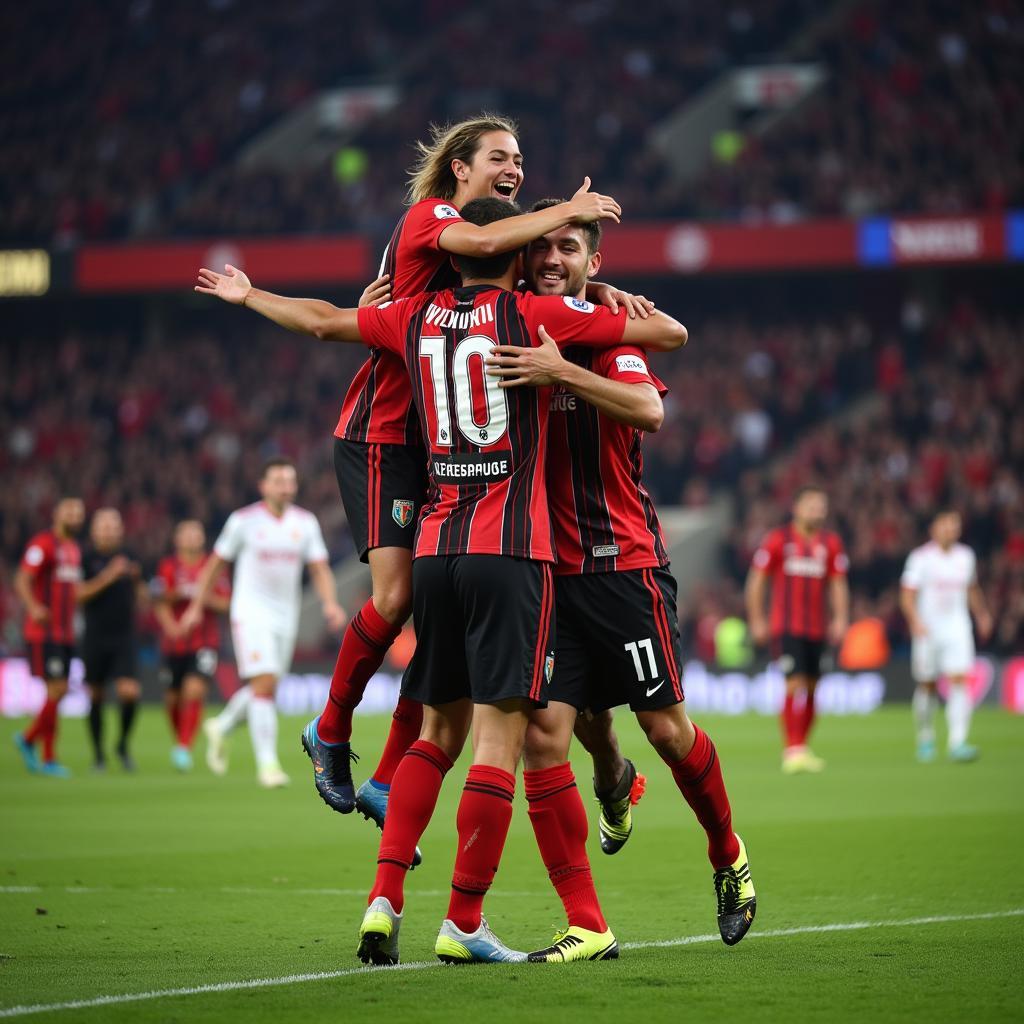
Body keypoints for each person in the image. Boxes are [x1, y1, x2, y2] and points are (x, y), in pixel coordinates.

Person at [195, 194, 687, 965]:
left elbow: (324, 320)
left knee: (435, 731)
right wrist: (599, 293)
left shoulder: (412, 315)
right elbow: (667, 335)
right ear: (515, 251)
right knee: (500, 737)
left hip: (432, 548)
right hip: (508, 552)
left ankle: (383, 903)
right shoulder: (536, 320)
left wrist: (248, 293)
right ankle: (463, 921)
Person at [306, 114, 633, 837]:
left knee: (437, 626)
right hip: (385, 431)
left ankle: (390, 778)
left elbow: (528, 266)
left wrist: (595, 290)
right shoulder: (434, 217)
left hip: (439, 442)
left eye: (520, 155)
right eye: (499, 156)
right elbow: (485, 245)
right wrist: (573, 210)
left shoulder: (494, 239)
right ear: (459, 165)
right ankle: (330, 732)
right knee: (394, 599)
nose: (515, 166)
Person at [487, 200, 755, 959]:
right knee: (548, 736)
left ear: (593, 263)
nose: (550, 258)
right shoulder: (507, 321)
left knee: (665, 729)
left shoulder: (609, 332)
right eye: (539, 247)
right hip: (548, 573)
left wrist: (560, 368)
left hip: (623, 568)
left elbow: (647, 409)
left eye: (568, 247)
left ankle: (727, 855)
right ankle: (588, 923)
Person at [180, 458, 346, 788]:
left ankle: (222, 726)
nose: (285, 486)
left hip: (286, 616)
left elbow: (318, 568)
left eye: (290, 480)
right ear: (263, 486)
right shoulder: (243, 521)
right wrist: (197, 605)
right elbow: (215, 565)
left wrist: (330, 603)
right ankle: (268, 765)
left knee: (266, 687)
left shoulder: (305, 522)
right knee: (266, 683)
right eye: (278, 480)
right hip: (250, 612)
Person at [745, 487, 849, 773]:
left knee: (814, 687)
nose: (816, 511)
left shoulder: (831, 543)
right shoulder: (779, 540)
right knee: (794, 683)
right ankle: (792, 749)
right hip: (787, 626)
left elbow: (838, 584)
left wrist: (840, 618)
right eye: (811, 506)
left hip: (818, 628)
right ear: (797, 508)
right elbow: (757, 581)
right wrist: (757, 619)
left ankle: (802, 746)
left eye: (820, 506)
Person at [900, 510, 993, 762]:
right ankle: (926, 736)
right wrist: (915, 621)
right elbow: (907, 594)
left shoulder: (966, 556)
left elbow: (971, 588)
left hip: (957, 627)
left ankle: (958, 741)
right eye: (945, 525)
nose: (950, 530)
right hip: (928, 629)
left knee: (960, 680)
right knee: (927, 685)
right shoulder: (920, 558)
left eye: (954, 526)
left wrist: (982, 614)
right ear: (934, 528)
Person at [13, 497, 85, 778]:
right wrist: (33, 607)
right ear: (57, 515)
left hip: (65, 633)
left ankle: (35, 745)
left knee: (59, 691)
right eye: (69, 511)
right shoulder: (42, 544)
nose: (75, 516)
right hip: (43, 631)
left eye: (79, 513)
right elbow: (22, 579)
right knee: (56, 690)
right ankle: (41, 750)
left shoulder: (73, 549)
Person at [153, 520, 231, 771]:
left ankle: (184, 746)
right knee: (172, 699)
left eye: (195, 534)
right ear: (177, 539)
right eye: (185, 534)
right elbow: (160, 602)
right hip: (173, 641)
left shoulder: (213, 567)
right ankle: (181, 741)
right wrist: (170, 626)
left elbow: (226, 604)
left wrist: (202, 596)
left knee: (194, 690)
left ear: (202, 539)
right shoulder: (167, 567)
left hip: (205, 641)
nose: (190, 538)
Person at [78, 508, 146, 772]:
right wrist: (108, 576)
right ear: (94, 530)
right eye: (103, 525)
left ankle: (122, 745)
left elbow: (142, 600)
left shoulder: (130, 556)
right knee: (95, 694)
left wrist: (139, 581)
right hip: (94, 634)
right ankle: (98, 755)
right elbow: (78, 594)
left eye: (113, 525)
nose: (108, 530)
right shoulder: (84, 557)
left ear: (121, 529)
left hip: (124, 635)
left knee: (130, 692)